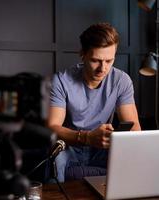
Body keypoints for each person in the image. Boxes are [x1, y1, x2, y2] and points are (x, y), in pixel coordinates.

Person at [47, 22, 141, 182]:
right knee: (55, 159)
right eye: (96, 60)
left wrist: (120, 142)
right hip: (70, 147)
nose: (103, 68)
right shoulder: (61, 81)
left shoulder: (122, 80)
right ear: (82, 54)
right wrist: (87, 137)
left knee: (134, 158)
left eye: (109, 61)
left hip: (103, 148)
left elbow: (134, 128)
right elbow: (52, 127)